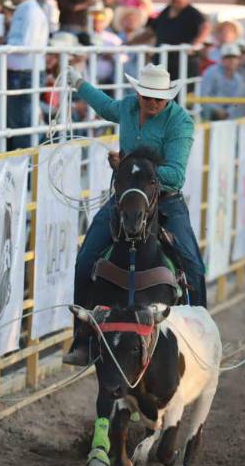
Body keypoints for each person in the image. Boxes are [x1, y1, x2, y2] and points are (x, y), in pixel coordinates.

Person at [61, 63, 205, 365]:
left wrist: (130, 167)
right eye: (146, 97)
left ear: (167, 98)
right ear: (138, 94)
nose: (152, 103)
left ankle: (202, 337)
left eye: (157, 98)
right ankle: (84, 338)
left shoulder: (180, 123)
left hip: (165, 201)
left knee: (192, 263)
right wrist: (79, 84)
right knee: (86, 259)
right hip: (125, 199)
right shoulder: (127, 107)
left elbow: (175, 176)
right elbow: (106, 106)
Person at [2, 0, 48, 149]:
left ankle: (26, 169)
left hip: (24, 73)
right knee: (23, 124)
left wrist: (3, 43)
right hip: (25, 72)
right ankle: (27, 169)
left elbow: (26, 45)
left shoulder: (30, 12)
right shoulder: (29, 10)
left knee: (22, 125)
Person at [144, 0, 209, 81]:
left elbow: (205, 27)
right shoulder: (165, 12)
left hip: (183, 66)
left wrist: (194, 45)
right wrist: (128, 43)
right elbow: (150, 32)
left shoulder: (193, 13)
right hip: (161, 66)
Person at [199, 42, 245, 119]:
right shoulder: (211, 72)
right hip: (210, 114)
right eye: (228, 57)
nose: (232, 60)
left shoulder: (239, 79)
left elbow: (236, 102)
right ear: (222, 59)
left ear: (238, 60)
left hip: (229, 116)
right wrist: (217, 110)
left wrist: (228, 112)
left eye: (234, 57)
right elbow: (203, 96)